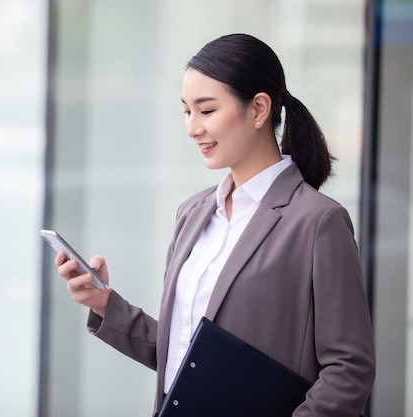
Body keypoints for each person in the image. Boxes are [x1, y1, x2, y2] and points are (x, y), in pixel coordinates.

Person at [54, 33, 375, 417]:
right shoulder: (193, 212)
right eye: (186, 111)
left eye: (206, 111)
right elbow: (187, 353)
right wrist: (105, 305)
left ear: (258, 109)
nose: (192, 128)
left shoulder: (318, 222)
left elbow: (349, 369)